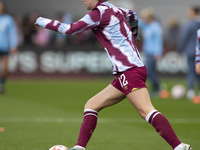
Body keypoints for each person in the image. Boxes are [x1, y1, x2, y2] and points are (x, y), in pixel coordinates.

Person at [35, 0, 192, 150]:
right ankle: (79, 147)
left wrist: (40, 20)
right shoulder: (115, 9)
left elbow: (68, 29)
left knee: (146, 110)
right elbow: (132, 15)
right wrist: (134, 34)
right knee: (91, 105)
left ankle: (179, 146)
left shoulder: (98, 14)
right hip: (128, 70)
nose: (82, 0)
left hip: (129, 69)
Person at [139, 8, 163, 97]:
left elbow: (158, 41)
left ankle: (157, 87)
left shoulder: (156, 27)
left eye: (144, 17)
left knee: (149, 71)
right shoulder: (146, 25)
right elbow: (137, 22)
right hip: (147, 51)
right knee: (150, 71)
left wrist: (158, 53)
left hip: (153, 53)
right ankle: (156, 87)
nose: (143, 19)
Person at [178, 6, 200, 100]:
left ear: (193, 12)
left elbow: (184, 38)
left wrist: (180, 49)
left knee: (191, 71)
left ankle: (191, 91)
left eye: (189, 11)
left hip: (191, 51)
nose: (188, 13)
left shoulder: (189, 24)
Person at [0, 1, 17, 93]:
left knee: (5, 69)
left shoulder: (8, 19)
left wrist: (13, 45)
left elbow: (12, 33)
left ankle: (1, 84)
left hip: (4, 47)